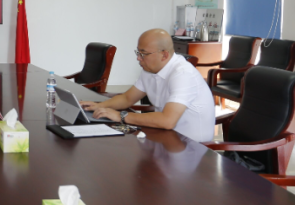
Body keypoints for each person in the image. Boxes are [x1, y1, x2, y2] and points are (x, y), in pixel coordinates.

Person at [80, 28, 215, 143]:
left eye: (143, 54)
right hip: (166, 137)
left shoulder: (183, 74)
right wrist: (99, 106)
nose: (138, 58)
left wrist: (121, 116)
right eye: (138, 52)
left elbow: (167, 121)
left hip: (191, 147)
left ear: (164, 55)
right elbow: (127, 98)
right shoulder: (149, 69)